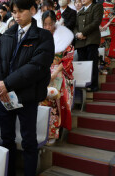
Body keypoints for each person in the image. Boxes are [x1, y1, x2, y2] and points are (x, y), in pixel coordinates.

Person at [0, 0, 54, 176]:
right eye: (14, 12)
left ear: (33, 10)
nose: (16, 15)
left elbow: (36, 67)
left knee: (28, 141)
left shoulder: (43, 36)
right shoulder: (7, 36)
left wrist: (7, 83)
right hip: (5, 97)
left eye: (21, 11)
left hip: (27, 97)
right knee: (7, 139)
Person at [41, 10, 74, 145]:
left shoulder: (63, 38)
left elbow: (67, 58)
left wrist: (54, 73)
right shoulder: (40, 38)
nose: (48, 27)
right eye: (45, 24)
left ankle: (53, 132)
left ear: (55, 23)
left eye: (51, 24)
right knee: (43, 102)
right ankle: (42, 132)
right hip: (43, 72)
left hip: (58, 72)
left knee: (55, 102)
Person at [74, 0, 104, 92]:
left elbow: (96, 22)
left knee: (91, 63)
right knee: (82, 63)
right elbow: (75, 26)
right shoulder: (80, 11)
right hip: (80, 42)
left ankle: (93, 85)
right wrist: (77, 34)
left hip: (91, 40)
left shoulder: (97, 7)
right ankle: (82, 84)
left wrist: (83, 33)